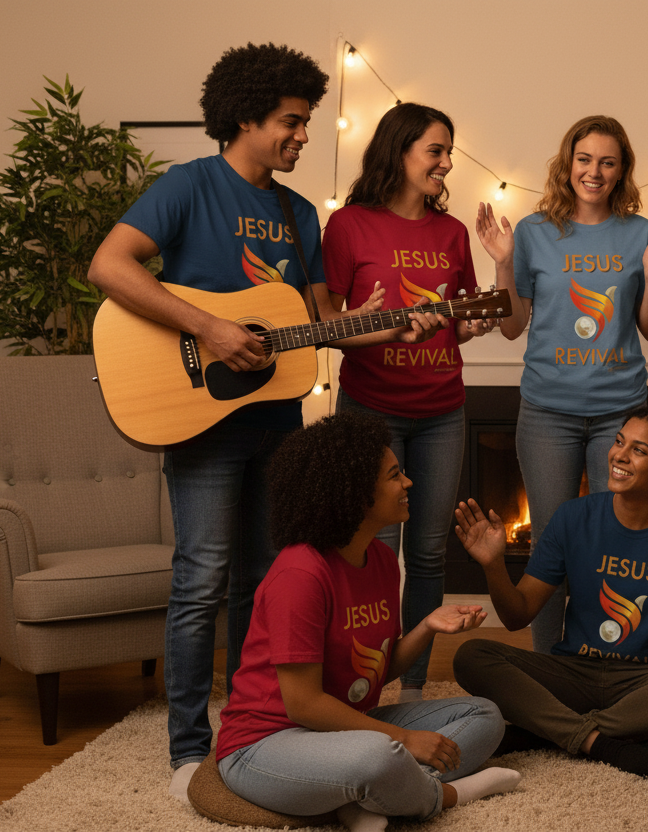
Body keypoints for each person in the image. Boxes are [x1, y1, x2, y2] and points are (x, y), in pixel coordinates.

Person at [86, 43, 441, 800]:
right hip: (197, 418)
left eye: (307, 122)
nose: (303, 136)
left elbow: (320, 323)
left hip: (277, 421)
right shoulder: (186, 188)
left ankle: (258, 729)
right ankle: (188, 747)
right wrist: (209, 329)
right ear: (245, 116)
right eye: (291, 121)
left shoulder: (299, 212)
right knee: (202, 577)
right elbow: (109, 267)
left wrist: (383, 326)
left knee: (264, 579)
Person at [215, 411, 520, 831]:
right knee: (378, 756)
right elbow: (303, 704)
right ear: (357, 494)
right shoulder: (300, 574)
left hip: (341, 730)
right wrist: (404, 740)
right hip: (265, 742)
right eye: (395, 475)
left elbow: (379, 667)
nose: (408, 483)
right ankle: (445, 794)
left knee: (484, 715)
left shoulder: (378, 558)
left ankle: (374, 796)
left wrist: (428, 624)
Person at [474, 115, 648, 653]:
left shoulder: (640, 233)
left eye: (607, 162)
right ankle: (549, 668)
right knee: (551, 547)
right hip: (548, 413)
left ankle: (602, 660)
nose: (594, 171)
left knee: (612, 544)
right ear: (568, 164)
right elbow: (513, 325)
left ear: (622, 171)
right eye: (584, 159)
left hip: (620, 414)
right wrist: (500, 264)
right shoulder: (535, 232)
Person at [323, 102, 494, 703]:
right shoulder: (347, 225)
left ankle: (413, 692)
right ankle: (366, 684)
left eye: (449, 151)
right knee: (374, 553)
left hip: (443, 410)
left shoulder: (451, 233)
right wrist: (383, 329)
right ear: (400, 151)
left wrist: (469, 327)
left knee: (426, 553)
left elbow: (465, 318)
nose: (447, 163)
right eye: (436, 150)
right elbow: (327, 324)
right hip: (370, 412)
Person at [452, 407, 648, 787]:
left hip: (639, 681)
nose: (619, 456)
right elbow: (517, 615)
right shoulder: (572, 517)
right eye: (619, 442)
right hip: (573, 673)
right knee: (472, 656)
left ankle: (541, 732)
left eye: (639, 450)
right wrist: (494, 565)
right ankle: (604, 742)